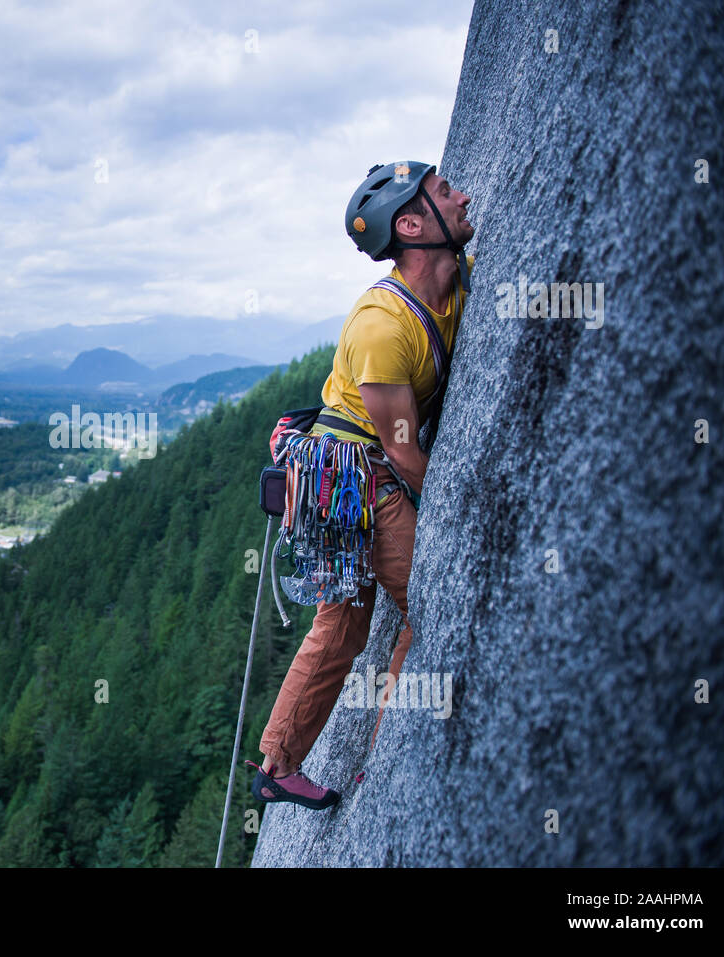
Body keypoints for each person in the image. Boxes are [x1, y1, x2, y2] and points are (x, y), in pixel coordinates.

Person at [246, 161, 475, 811]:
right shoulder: (383, 326)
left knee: (344, 628)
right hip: (350, 480)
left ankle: (285, 761)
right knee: (431, 600)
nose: (462, 197)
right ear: (411, 224)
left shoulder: (453, 284)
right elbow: (402, 450)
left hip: (345, 475)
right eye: (444, 193)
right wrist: (462, 514)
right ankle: (368, 756)